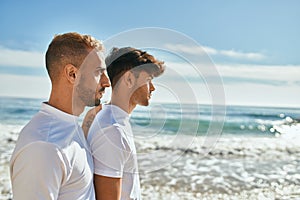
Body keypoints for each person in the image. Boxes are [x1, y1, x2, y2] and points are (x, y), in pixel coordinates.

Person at [10, 32, 110, 200]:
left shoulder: (69, 128)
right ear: (72, 74)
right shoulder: (44, 146)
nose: (106, 82)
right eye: (99, 72)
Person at [87, 47, 165, 200]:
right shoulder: (113, 131)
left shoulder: (114, 120)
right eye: (148, 80)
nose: (153, 88)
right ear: (129, 79)